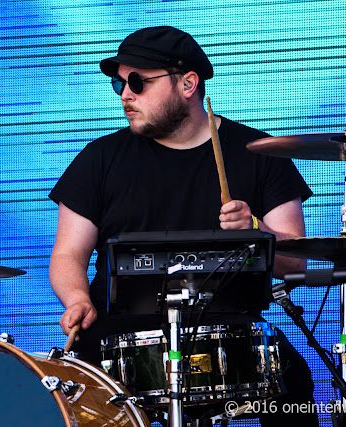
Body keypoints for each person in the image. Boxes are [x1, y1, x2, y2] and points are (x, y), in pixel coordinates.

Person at [49, 26, 319, 426]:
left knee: (292, 384)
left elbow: (297, 262)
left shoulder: (262, 155)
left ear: (189, 83)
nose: (125, 94)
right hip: (115, 333)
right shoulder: (99, 159)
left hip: (230, 330)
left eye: (138, 82)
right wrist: (76, 299)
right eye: (118, 83)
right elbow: (69, 253)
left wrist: (256, 230)